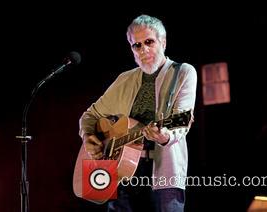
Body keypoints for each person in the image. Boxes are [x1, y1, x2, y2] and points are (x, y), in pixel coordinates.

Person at [79, 14, 197, 212]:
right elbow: (90, 115)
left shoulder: (183, 72)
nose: (144, 50)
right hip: (120, 173)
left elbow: (182, 119)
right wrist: (88, 135)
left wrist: (164, 135)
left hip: (163, 172)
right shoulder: (124, 79)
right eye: (137, 45)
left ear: (163, 42)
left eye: (149, 42)